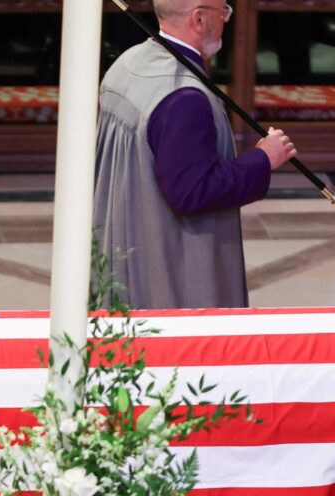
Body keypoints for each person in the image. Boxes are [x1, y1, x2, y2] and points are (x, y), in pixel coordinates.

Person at [94, 0, 296, 310]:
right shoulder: (185, 97)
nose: (226, 20)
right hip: (165, 268)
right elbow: (193, 191)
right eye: (223, 11)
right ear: (199, 19)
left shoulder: (128, 63)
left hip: (121, 241)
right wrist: (263, 159)